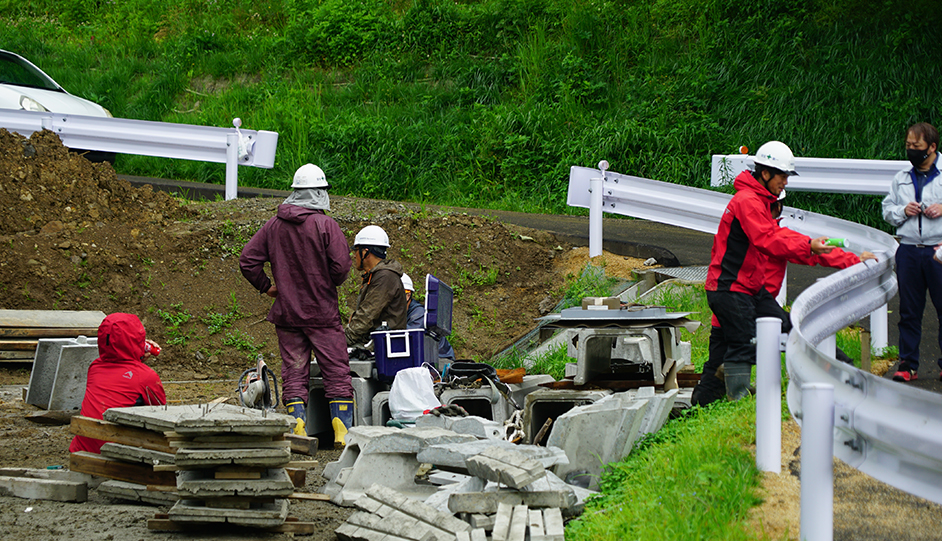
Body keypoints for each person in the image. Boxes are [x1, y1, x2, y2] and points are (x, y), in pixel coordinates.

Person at [692, 195, 875, 406]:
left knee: (719, 366)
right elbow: (813, 252)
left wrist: (851, 259)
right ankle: (847, 374)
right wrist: (853, 260)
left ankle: (699, 407)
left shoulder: (748, 231)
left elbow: (814, 250)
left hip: (734, 309)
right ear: (777, 207)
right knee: (797, 341)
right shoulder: (770, 234)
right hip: (751, 309)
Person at [704, 141, 834, 400]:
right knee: (747, 342)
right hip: (730, 289)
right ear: (765, 173)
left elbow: (776, 238)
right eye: (783, 176)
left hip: (747, 289)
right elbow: (768, 240)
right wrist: (809, 245)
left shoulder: (759, 201)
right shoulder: (749, 201)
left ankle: (713, 391)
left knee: (779, 329)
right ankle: (738, 396)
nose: (785, 182)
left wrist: (813, 248)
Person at [239, 163, 353, 444]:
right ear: (318, 193)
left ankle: (298, 429)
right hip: (322, 314)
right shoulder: (326, 225)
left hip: (288, 315)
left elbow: (248, 261)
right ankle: (342, 434)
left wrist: (268, 287)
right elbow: (340, 268)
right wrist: (325, 281)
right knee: (336, 369)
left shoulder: (273, 226)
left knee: (294, 370)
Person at [882, 122, 942, 382]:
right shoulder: (901, 178)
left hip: (939, 249)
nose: (911, 151)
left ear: (932, 147)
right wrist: (902, 211)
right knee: (908, 310)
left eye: (916, 147)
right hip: (907, 250)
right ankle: (908, 364)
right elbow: (887, 211)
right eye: (908, 146)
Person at [69, 313, 166, 454]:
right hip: (116, 453)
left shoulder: (95, 367)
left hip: (83, 450)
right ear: (137, 339)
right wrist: (138, 355)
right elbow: (161, 416)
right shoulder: (146, 377)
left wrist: (136, 357)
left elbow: (121, 367)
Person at [344, 225, 408, 346]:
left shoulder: (385, 277)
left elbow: (366, 316)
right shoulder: (377, 276)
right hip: (376, 344)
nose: (354, 255)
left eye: (356, 250)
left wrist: (340, 341)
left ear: (365, 252)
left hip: (383, 348)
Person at [401, 273, 456, 365]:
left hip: (441, 360)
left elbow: (407, 339)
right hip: (425, 358)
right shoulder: (401, 312)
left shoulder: (419, 314)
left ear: (407, 295)